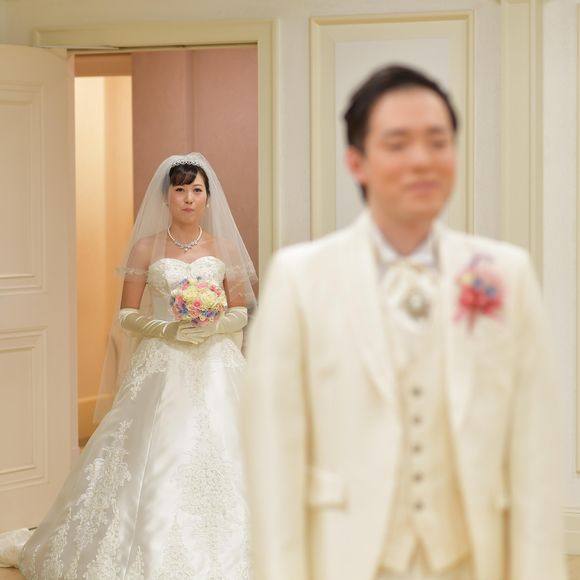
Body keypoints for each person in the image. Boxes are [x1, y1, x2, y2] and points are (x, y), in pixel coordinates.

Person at [241, 65, 566, 580]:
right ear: (357, 161)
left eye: (438, 142)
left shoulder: (507, 275)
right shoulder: (299, 279)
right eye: (398, 143)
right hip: (345, 561)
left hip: (473, 560)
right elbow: (273, 462)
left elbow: (536, 455)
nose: (422, 160)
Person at [0, 153, 256, 578]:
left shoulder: (224, 248)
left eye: (196, 190)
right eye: (180, 189)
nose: (188, 198)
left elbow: (241, 310)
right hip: (162, 363)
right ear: (166, 197)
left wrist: (213, 326)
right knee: (152, 452)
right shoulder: (146, 247)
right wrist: (167, 329)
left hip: (215, 362)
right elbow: (127, 314)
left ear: (208, 198)